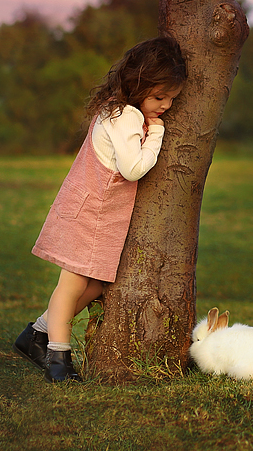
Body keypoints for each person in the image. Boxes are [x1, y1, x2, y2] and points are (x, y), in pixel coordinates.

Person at [13, 35, 187, 382]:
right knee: (72, 286)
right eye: (159, 97)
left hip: (100, 215)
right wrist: (156, 135)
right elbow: (133, 168)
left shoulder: (119, 109)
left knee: (97, 286)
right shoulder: (126, 117)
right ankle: (58, 363)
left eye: (171, 98)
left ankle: (37, 334)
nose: (165, 106)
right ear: (136, 84)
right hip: (92, 214)